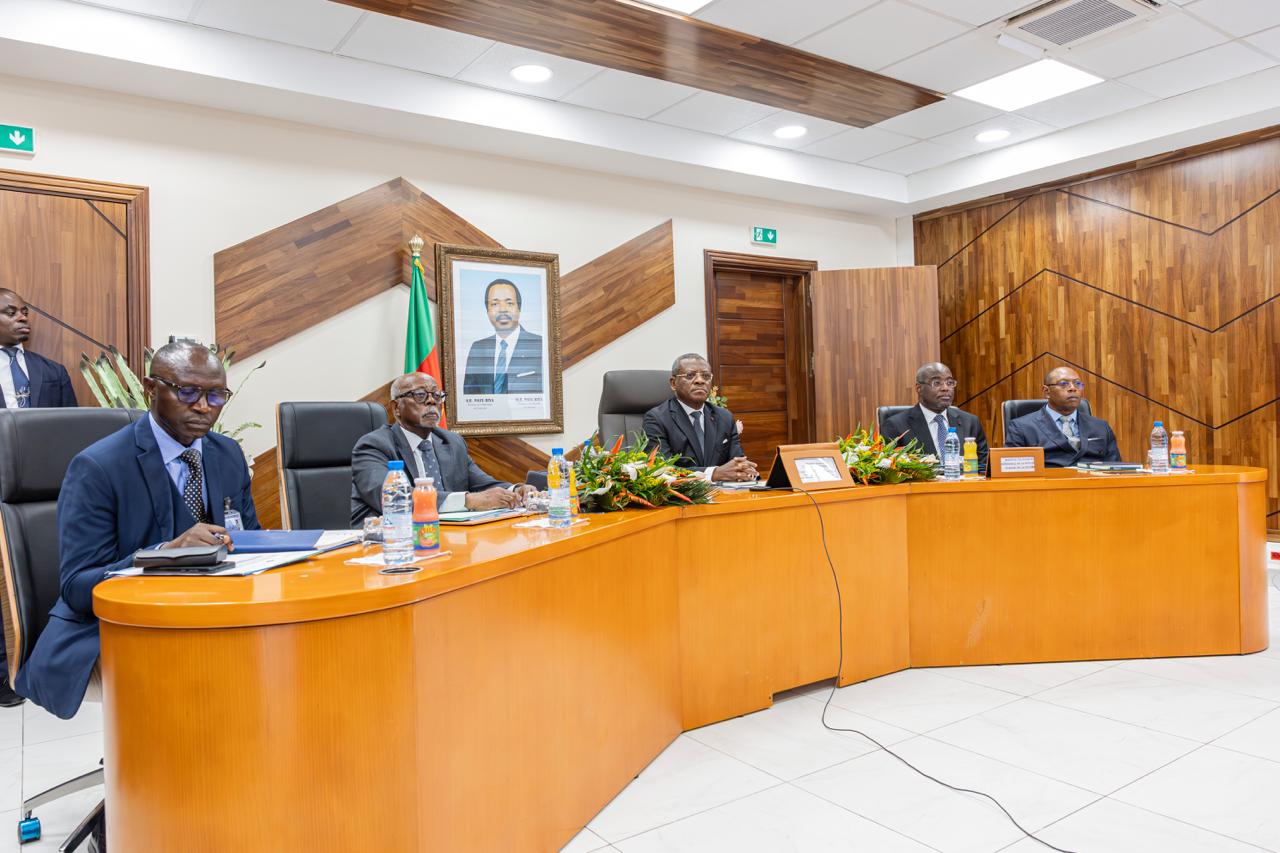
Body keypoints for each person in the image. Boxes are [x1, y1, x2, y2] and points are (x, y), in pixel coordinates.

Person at [15, 340, 259, 723]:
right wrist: (164, 553)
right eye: (188, 391)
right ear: (150, 389)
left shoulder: (227, 454)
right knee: (210, 671)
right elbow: (78, 588)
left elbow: (250, 544)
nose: (203, 406)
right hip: (111, 632)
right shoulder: (98, 467)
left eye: (216, 396)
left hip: (208, 619)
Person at [0, 288, 81, 705]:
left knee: (43, 577)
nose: (22, 318)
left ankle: (46, 665)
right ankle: (4, 673)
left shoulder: (52, 372)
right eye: (10, 312)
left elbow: (69, 433)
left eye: (25, 311)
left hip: (46, 496)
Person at [351, 372, 538, 525]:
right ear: (396, 407)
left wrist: (515, 489)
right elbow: (394, 499)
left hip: (450, 534)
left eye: (437, 395)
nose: (432, 401)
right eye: (420, 395)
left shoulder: (451, 441)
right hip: (392, 539)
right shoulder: (374, 445)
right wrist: (469, 500)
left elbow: (482, 484)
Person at [643, 353, 757, 482]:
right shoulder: (657, 419)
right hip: (681, 493)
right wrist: (712, 474)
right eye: (690, 375)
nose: (700, 381)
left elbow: (737, 463)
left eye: (706, 376)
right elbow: (660, 470)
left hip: (724, 492)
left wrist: (745, 472)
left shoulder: (724, 417)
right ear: (673, 383)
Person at [880, 362, 989, 471]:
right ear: (919, 388)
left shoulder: (970, 422)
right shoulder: (896, 426)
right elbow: (889, 470)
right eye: (936, 383)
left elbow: (983, 466)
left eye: (950, 383)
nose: (945, 388)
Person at [1005, 366, 1121, 467]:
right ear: (1047, 391)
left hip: (1094, 484)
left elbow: (1116, 469)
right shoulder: (1022, 427)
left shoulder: (1101, 427)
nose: (1073, 388)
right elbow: (1014, 472)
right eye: (1064, 384)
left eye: (1077, 383)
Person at [461, 279, 544, 395]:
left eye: (509, 303)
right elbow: (469, 397)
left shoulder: (540, 345)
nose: (503, 309)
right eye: (495, 304)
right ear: (487, 311)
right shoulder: (478, 348)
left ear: (519, 309)